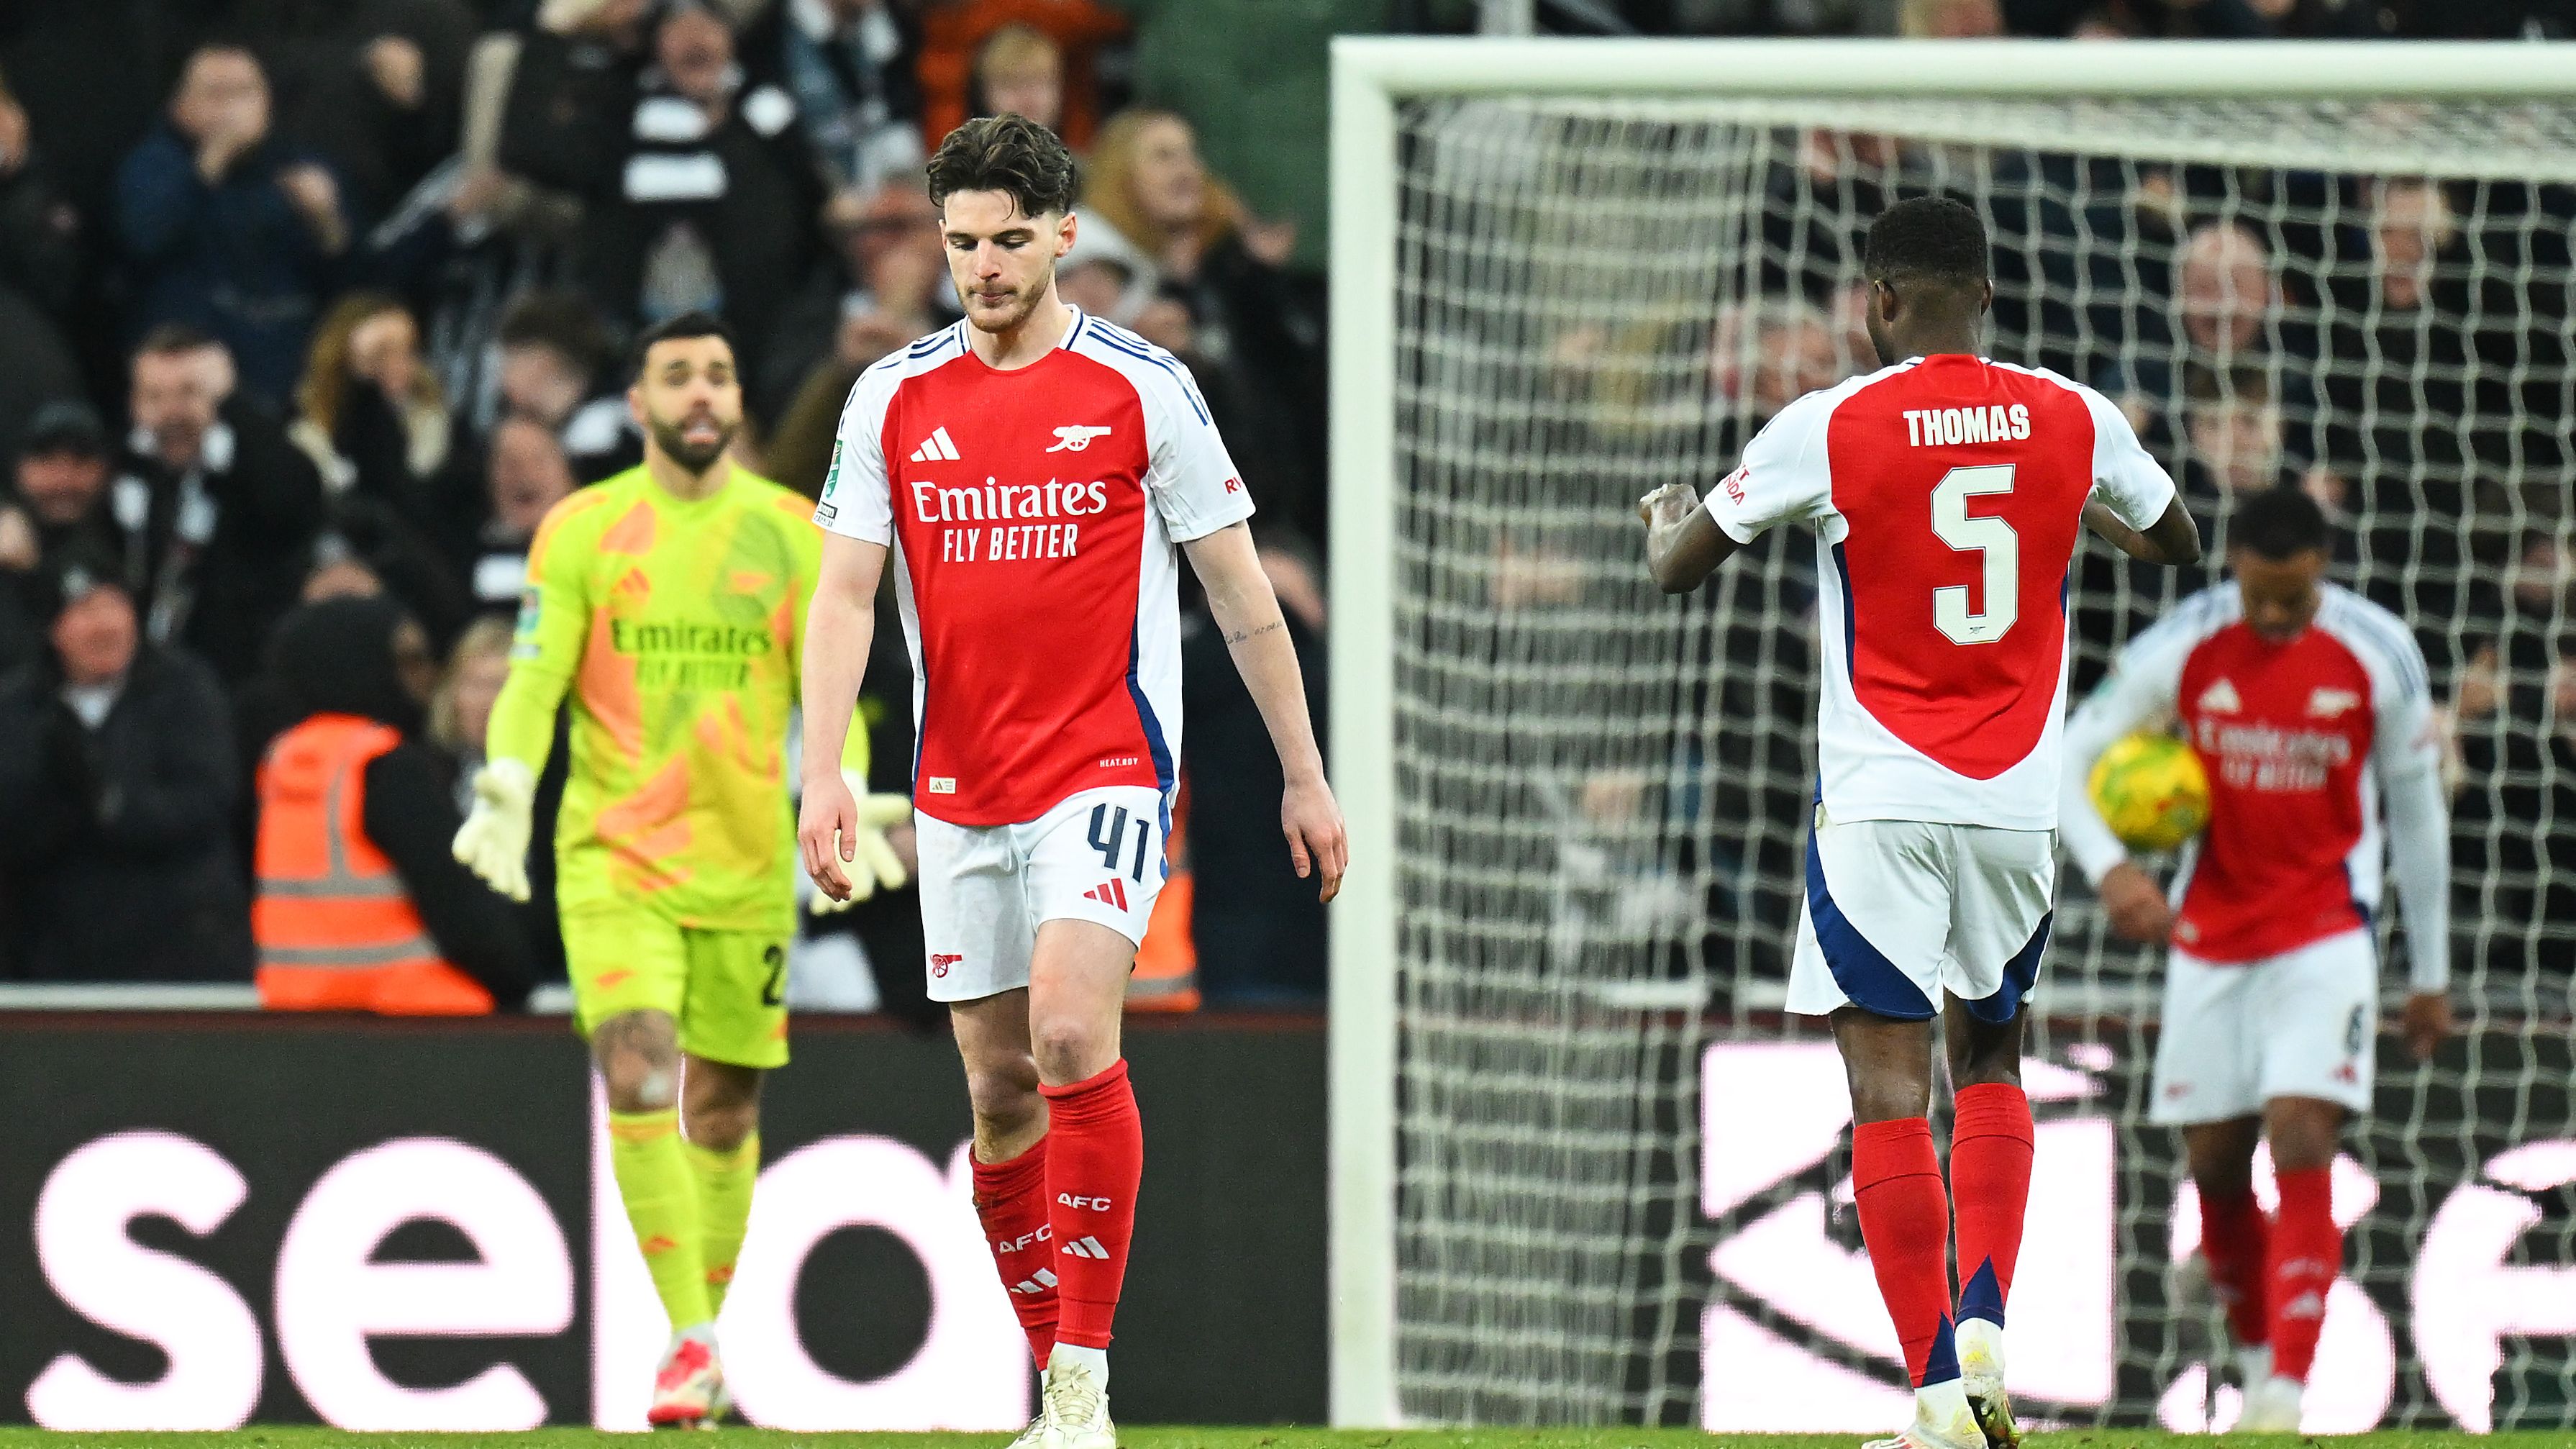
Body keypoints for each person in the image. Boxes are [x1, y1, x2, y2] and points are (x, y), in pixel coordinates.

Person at [796, 114, 1347, 1449]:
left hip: (1103, 766)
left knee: (1062, 1036)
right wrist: (826, 772)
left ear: (1059, 236)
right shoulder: (893, 398)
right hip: (954, 781)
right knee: (994, 1090)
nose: (981, 267)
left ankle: (1085, 1380)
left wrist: (1304, 775)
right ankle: (1060, 1390)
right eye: (960, 242)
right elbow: (845, 598)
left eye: (1004, 241)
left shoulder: (1144, 386)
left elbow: (1242, 595)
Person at [1637, 196, 2200, 1449]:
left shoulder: (1829, 423)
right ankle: (1989, 1313)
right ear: (1987, 297)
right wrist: (2078, 520)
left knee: (1888, 1094)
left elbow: (1683, 568)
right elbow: (2178, 537)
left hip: (1883, 797)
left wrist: (1665, 518)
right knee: (1990, 1057)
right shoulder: (2071, 412)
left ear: (1878, 301)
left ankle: (1941, 1395)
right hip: (2017, 801)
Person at [449, 312, 908, 1427]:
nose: (701, 392)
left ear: (738, 399)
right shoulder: (583, 529)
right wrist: (508, 776)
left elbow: (829, 689)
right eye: (677, 376)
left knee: (726, 1102)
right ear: (640, 402)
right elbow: (533, 672)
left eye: (719, 373)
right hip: (611, 857)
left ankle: (692, 1335)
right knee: (642, 1066)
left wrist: (839, 782)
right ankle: (691, 1337)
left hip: (746, 863)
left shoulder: (799, 532)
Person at [2059, 485, 2452, 1432]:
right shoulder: (2180, 645)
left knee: (2302, 1135)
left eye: (2296, 597)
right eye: (2261, 596)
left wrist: (2428, 971)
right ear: (2233, 566)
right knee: (2217, 1166)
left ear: (2322, 570)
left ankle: (2281, 1392)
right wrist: (2113, 873)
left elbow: (2416, 813)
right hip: (2209, 937)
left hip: (2326, 933)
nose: (2277, 616)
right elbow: (2073, 753)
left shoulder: (2377, 650)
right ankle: (2252, 1356)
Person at [255, 596, 537, 1014]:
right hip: (415, 1022)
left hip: (299, 1014)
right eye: (408, 660)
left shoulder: (285, 760)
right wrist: (518, 980)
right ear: (363, 663)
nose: (425, 676)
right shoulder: (384, 766)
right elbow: (463, 912)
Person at [0, 546, 251, 982]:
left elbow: (207, 800)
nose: (103, 626)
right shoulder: (21, 707)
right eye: (81, 610)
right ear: (50, 628)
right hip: (57, 953)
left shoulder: (185, 690)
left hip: (181, 946)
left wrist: (113, 806)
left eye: (113, 607)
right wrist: (59, 799)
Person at [114, 43, 351, 403]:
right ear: (180, 106)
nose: (232, 108)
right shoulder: (154, 163)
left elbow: (349, 276)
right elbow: (145, 239)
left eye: (245, 93)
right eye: (215, 94)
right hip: (197, 367)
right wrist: (212, 162)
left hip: (290, 361)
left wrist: (327, 220)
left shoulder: (301, 166)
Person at [114, 326, 328, 682]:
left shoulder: (248, 472)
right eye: (154, 397)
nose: (172, 414)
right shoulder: (117, 473)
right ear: (134, 404)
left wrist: (236, 404)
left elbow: (293, 501)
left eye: (189, 393)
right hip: (135, 681)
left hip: (233, 678)